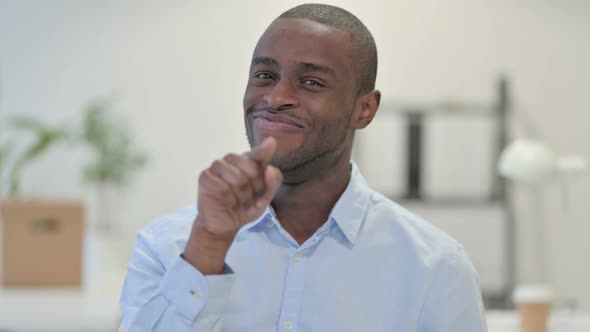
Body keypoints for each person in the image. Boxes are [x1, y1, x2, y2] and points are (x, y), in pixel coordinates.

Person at [119, 3, 487, 331]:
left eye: (311, 82)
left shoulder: (436, 270)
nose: (276, 98)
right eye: (264, 75)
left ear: (365, 109)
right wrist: (209, 246)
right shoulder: (167, 247)